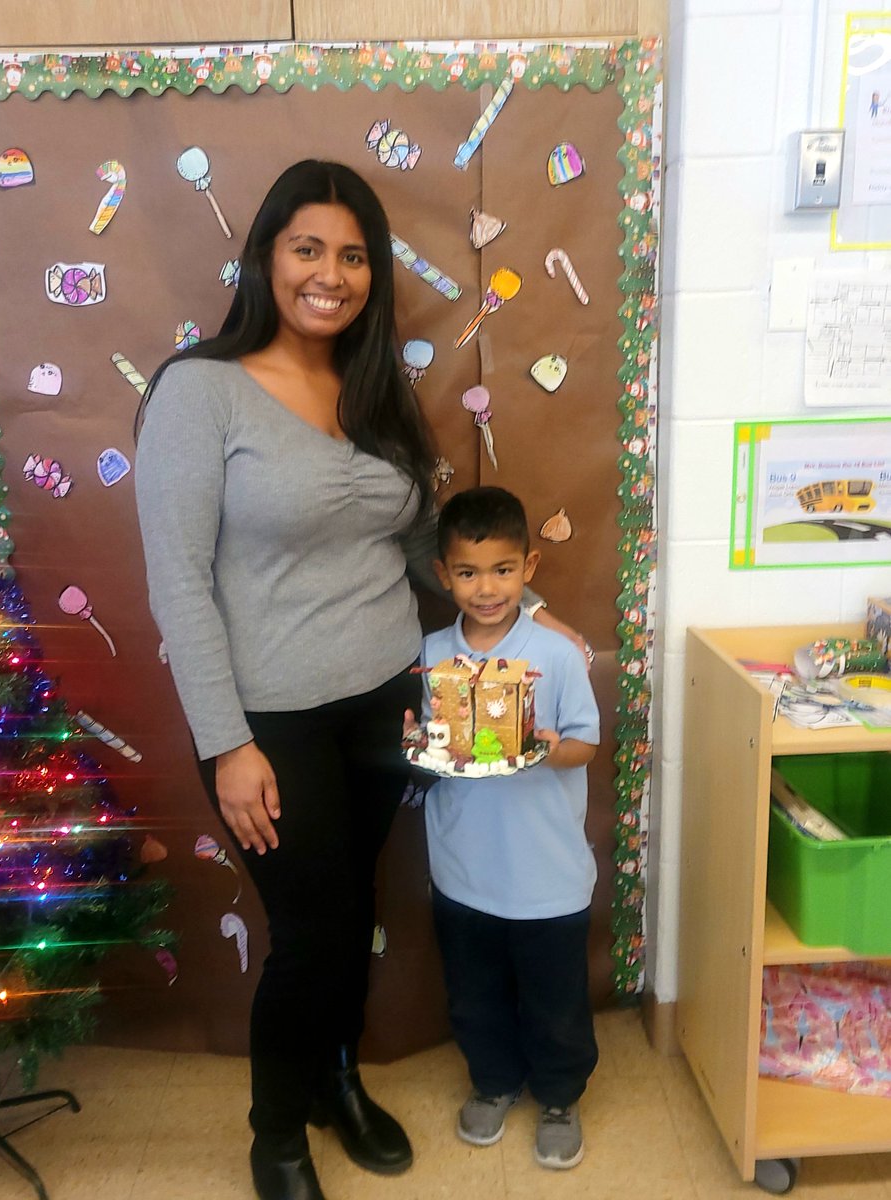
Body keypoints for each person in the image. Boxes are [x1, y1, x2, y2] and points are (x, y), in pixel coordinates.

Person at [134, 161, 579, 1200]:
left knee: (354, 903)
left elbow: (423, 536)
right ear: (265, 258)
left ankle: (338, 1077)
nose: (330, 275)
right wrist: (226, 742)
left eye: (352, 255)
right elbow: (179, 585)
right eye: (307, 249)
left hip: (389, 699)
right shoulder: (197, 392)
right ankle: (276, 1132)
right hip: (269, 720)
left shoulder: (376, 386)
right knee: (312, 931)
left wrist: (520, 612)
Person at [414, 486, 600, 1171]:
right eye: (468, 572)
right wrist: (421, 743)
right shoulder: (433, 653)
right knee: (475, 994)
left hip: (548, 875)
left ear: (529, 568)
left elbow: (586, 743)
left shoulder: (554, 653)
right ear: (443, 575)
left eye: (502, 570)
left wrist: (547, 745)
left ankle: (559, 1096)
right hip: (464, 871)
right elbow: (430, 752)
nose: (486, 588)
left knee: (556, 1000)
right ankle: (492, 1082)